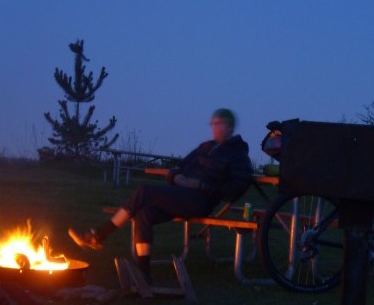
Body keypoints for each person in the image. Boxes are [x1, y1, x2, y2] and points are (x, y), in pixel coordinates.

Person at [69, 108, 253, 282]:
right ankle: (144, 274)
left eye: (219, 123)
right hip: (181, 194)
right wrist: (177, 177)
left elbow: (234, 190)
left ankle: (99, 234)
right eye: (212, 123)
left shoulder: (238, 156)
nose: (215, 127)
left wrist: (201, 185)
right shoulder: (205, 147)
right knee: (144, 213)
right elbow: (176, 168)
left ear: (230, 127)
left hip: (200, 202)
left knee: (144, 192)